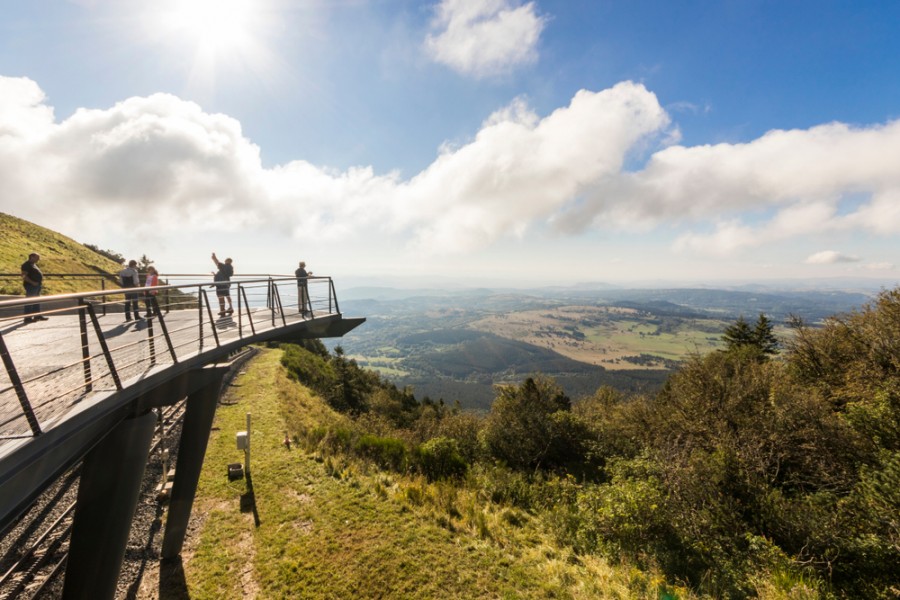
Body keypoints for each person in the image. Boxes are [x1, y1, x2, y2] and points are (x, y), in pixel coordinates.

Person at [21, 252, 48, 323]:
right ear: (32, 257)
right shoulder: (26, 265)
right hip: (31, 286)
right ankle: (27, 318)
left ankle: (37, 315)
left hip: (36, 285)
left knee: (36, 301)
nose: (38, 259)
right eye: (37, 257)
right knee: (29, 301)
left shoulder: (33, 264)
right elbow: (24, 276)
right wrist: (32, 282)